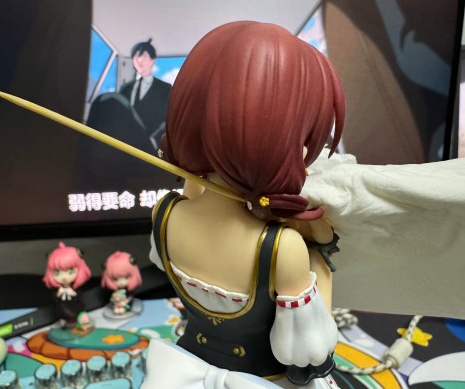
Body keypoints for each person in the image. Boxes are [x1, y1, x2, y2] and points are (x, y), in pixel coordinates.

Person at [142, 21, 345, 388]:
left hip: (188, 360)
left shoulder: (165, 214)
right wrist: (320, 255)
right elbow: (310, 352)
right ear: (293, 146)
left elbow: (196, 188)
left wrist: (194, 158)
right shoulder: (283, 248)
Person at [119, 39, 172, 152]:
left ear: (152, 60)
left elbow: (168, 119)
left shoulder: (165, 88)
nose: (139, 60)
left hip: (151, 149)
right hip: (124, 147)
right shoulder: (125, 89)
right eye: (136, 56)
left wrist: (154, 140)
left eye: (144, 56)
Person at [42, 243, 92, 328]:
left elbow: (80, 294)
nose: (64, 277)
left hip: (75, 307)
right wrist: (58, 294)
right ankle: (64, 322)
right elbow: (54, 298)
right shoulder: (58, 289)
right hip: (62, 309)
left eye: (70, 272)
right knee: (62, 315)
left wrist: (73, 293)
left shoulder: (75, 288)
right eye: (57, 273)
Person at [101, 251, 143, 315]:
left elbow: (130, 298)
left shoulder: (129, 291)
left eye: (126, 277)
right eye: (115, 279)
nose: (121, 282)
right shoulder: (114, 292)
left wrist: (125, 302)